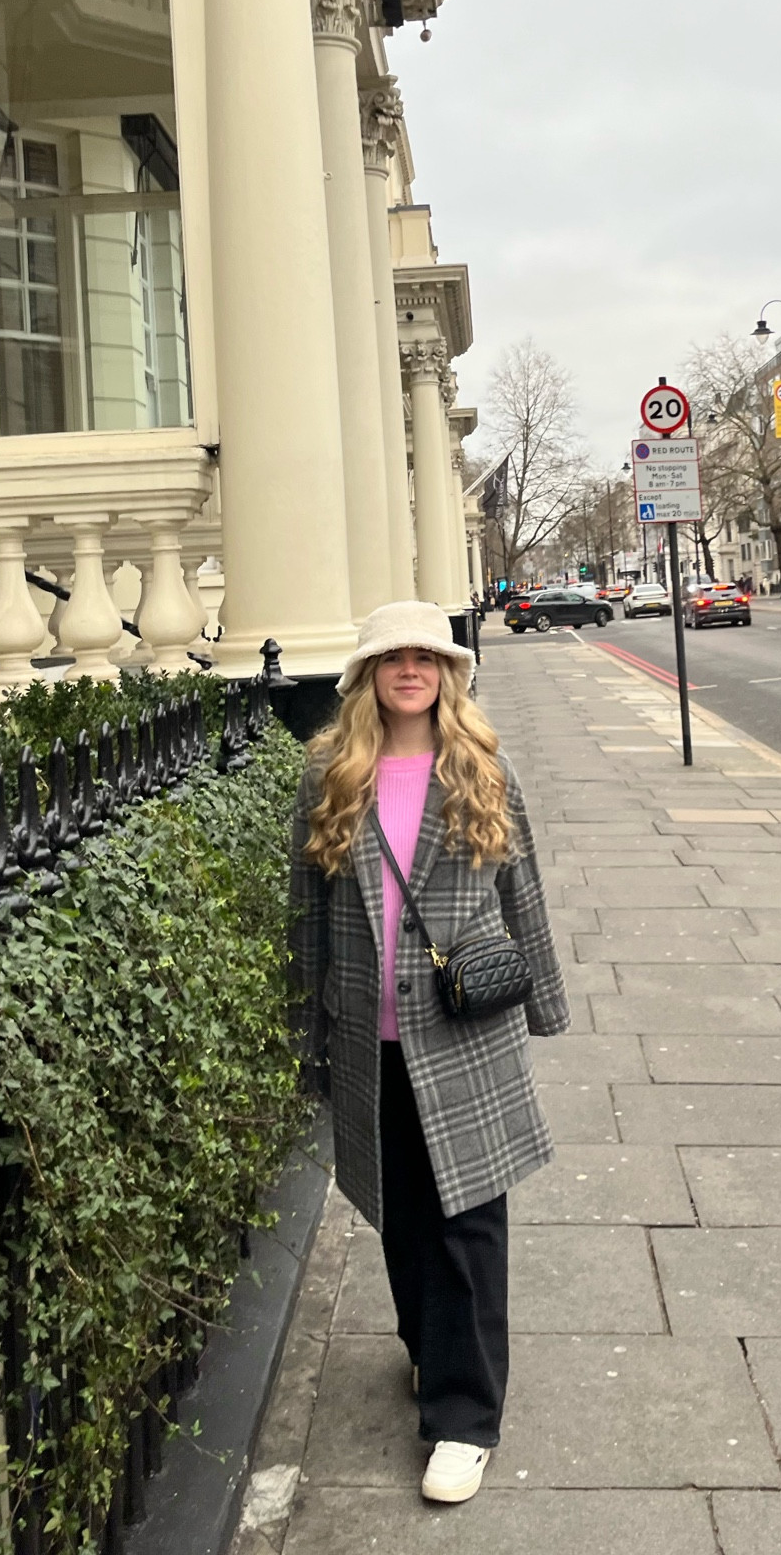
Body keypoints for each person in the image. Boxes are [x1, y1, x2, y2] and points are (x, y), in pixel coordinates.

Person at [289, 601, 569, 1506]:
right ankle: (429, 1351)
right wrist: (305, 1034)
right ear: (368, 676)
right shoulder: (331, 775)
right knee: (402, 1217)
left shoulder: (483, 770)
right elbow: (308, 918)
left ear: (448, 674)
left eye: (426, 657)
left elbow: (522, 895)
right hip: (369, 1036)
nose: (410, 669)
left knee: (468, 1230)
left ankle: (463, 1416)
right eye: (392, 657)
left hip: (466, 1034)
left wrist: (547, 1009)